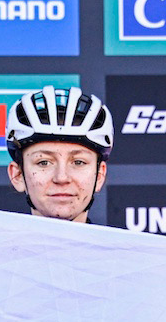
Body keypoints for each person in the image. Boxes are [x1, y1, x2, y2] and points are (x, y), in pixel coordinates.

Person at [6, 85, 112, 224]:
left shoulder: (129, 246)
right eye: (43, 162)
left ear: (99, 176)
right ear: (17, 175)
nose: (61, 178)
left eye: (79, 162)